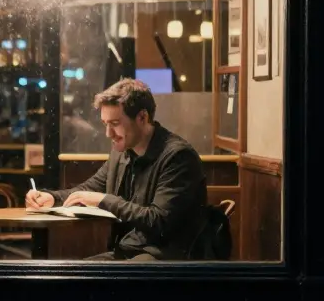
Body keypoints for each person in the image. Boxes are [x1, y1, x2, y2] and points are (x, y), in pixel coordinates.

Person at [25, 78, 206, 261]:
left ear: (142, 118)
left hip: (166, 259)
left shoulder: (178, 157)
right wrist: (52, 198)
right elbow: (90, 189)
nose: (108, 134)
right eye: (105, 124)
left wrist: (105, 201)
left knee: (81, 280)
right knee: (69, 275)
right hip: (129, 251)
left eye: (115, 123)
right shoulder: (123, 152)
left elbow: (158, 220)